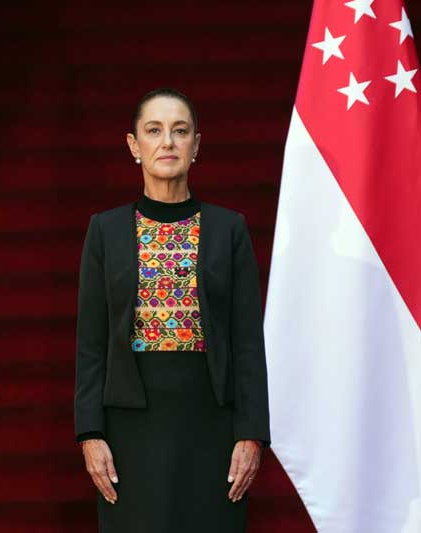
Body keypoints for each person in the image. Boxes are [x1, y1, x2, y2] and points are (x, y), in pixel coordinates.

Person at [74, 88, 270, 532]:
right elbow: (91, 341)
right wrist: (90, 433)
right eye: (154, 131)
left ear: (196, 145)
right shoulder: (105, 230)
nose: (168, 142)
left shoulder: (228, 228)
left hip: (212, 424)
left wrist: (251, 433)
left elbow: (247, 341)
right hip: (129, 427)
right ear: (133, 146)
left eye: (180, 131)